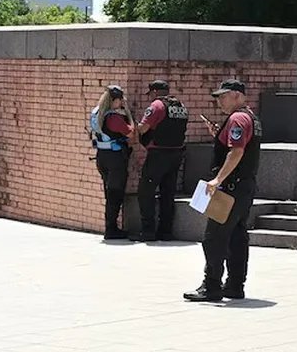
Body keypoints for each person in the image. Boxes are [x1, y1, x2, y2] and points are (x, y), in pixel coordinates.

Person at [185, 79, 261, 302]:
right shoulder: (250, 117)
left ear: (237, 95)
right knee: (237, 236)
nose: (219, 101)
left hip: (230, 188)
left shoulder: (237, 118)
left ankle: (211, 287)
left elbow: (236, 152)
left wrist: (218, 179)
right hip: (244, 186)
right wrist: (218, 135)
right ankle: (235, 285)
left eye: (223, 96)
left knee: (214, 238)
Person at [136, 80, 189, 241]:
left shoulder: (157, 106)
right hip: (176, 154)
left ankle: (148, 231)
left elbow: (143, 128)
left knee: (146, 191)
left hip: (158, 154)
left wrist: (135, 129)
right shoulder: (181, 106)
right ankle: (166, 231)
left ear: (153, 92)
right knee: (168, 193)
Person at [90, 85, 135, 239]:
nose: (122, 102)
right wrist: (128, 115)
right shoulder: (113, 118)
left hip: (102, 156)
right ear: (114, 100)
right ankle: (111, 229)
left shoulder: (97, 113)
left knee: (109, 193)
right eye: (120, 100)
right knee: (115, 194)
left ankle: (111, 226)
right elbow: (131, 133)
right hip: (115, 158)